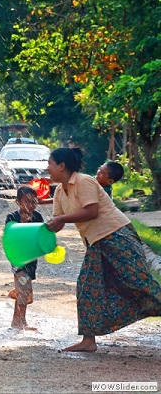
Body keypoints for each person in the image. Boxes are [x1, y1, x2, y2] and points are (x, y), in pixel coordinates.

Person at [46, 147, 161, 352]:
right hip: (96, 242)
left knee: (139, 283)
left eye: (50, 164)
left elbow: (91, 211)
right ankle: (88, 341)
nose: (47, 169)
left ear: (61, 166)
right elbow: (59, 222)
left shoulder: (84, 181)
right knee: (88, 286)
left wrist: (61, 219)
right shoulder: (59, 192)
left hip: (116, 235)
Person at [5, 185, 43, 330]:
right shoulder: (12, 217)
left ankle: (16, 291)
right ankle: (18, 321)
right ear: (18, 202)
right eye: (27, 201)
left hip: (31, 260)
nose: (31, 205)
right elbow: (10, 236)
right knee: (25, 291)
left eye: (34, 201)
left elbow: (40, 235)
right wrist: (23, 223)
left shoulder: (38, 217)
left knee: (28, 297)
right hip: (18, 260)